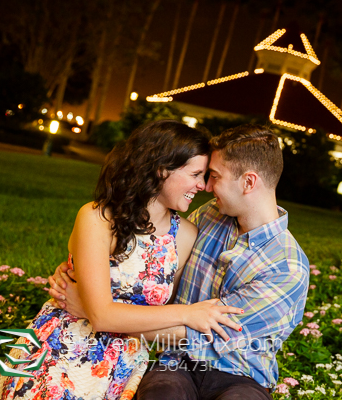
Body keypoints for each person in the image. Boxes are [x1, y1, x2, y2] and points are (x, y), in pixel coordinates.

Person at [49, 124, 310, 400]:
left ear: (248, 182)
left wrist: (95, 312)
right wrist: (85, 273)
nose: (206, 187)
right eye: (202, 175)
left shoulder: (288, 266)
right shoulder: (208, 217)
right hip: (176, 366)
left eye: (214, 176)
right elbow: (151, 268)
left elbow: (205, 335)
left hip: (241, 376)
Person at [0, 120, 243, 400]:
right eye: (196, 174)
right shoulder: (97, 218)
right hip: (65, 344)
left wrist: (177, 320)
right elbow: (102, 316)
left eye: (205, 175)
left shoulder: (184, 236)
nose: (203, 186)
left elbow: (168, 329)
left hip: (124, 360)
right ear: (161, 169)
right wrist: (188, 314)